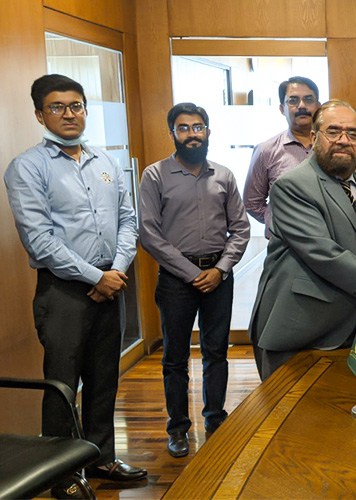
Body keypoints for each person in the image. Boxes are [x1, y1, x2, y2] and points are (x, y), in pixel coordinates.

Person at [4, 74, 146, 497]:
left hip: (112, 283)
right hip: (64, 290)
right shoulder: (27, 167)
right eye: (57, 107)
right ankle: (61, 473)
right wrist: (95, 277)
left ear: (86, 109)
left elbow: (127, 220)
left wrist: (115, 271)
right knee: (63, 384)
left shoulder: (104, 161)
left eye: (77, 105)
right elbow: (39, 240)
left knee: (105, 377)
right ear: (39, 114)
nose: (69, 114)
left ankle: (101, 459)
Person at [248, 100, 356, 380]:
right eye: (334, 131)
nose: (344, 140)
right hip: (305, 332)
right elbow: (324, 254)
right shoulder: (292, 186)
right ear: (314, 137)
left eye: (353, 134)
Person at [138, 103, 250, 458]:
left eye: (198, 127)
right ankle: (178, 429)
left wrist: (220, 269)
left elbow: (241, 229)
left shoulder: (225, 176)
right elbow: (150, 234)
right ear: (171, 133)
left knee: (216, 352)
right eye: (183, 128)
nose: (192, 134)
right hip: (176, 280)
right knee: (174, 357)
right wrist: (191, 274)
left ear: (208, 131)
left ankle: (216, 420)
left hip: (218, 276)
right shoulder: (155, 176)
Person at [243, 76, 321, 237]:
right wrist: (278, 221)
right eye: (293, 101)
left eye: (308, 99)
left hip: (329, 242)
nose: (301, 106)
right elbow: (252, 202)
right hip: (283, 246)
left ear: (318, 106)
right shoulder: (266, 150)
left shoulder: (332, 148)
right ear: (281, 108)